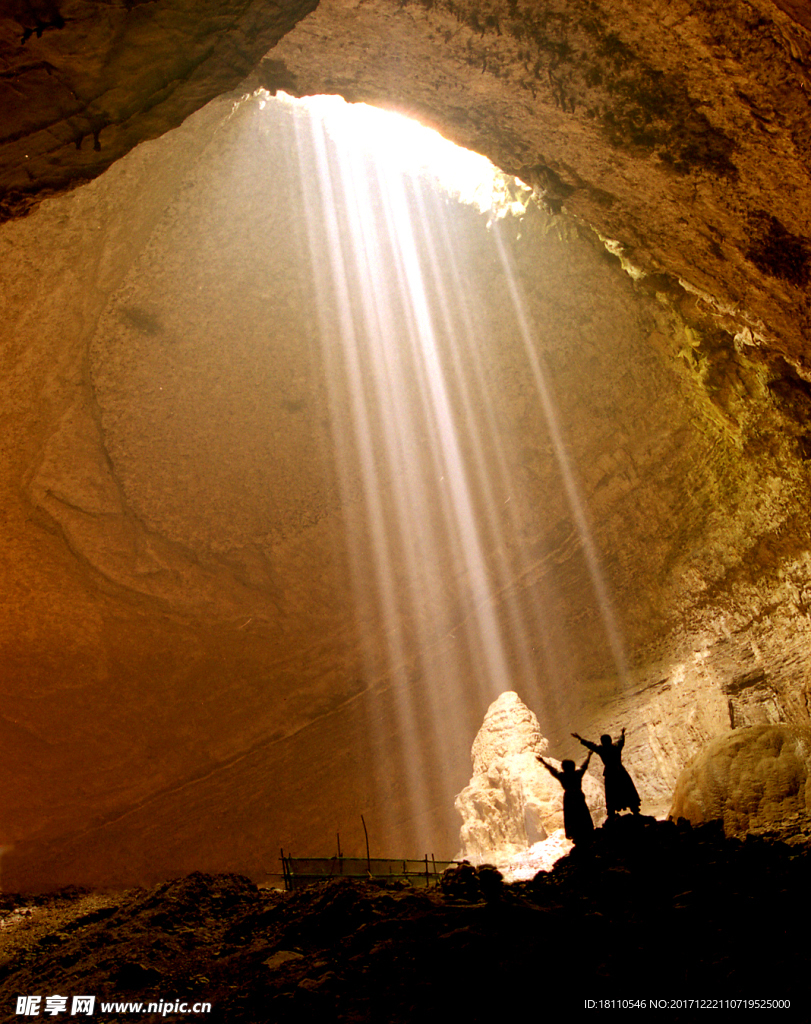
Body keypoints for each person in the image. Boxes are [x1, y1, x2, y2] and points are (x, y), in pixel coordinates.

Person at [572, 728, 640, 817]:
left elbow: (590, 745)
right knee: (627, 789)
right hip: (620, 771)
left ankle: (611, 813)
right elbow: (621, 740)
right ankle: (635, 810)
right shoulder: (616, 747)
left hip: (610, 774)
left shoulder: (602, 749)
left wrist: (580, 738)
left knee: (612, 793)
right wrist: (622, 733)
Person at [537, 751, 594, 846]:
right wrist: (589, 755)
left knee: (571, 816)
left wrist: (543, 762)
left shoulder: (562, 776)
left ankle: (576, 835)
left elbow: (552, 770)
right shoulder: (577, 774)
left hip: (569, 798)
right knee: (582, 813)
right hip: (578, 795)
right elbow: (584, 765)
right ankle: (587, 831)